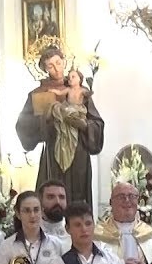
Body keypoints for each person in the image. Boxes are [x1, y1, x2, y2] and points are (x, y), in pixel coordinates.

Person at [15, 47, 106, 206]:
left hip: (78, 154)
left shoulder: (79, 90)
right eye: (50, 66)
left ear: (64, 62)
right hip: (53, 154)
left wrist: (83, 125)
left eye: (58, 62)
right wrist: (45, 120)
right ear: (44, 69)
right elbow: (23, 125)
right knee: (53, 197)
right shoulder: (38, 94)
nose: (56, 68)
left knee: (78, 200)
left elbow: (97, 123)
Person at [38, 179, 72, 248]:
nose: (57, 202)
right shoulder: (32, 232)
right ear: (40, 201)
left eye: (62, 197)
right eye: (51, 197)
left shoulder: (75, 231)